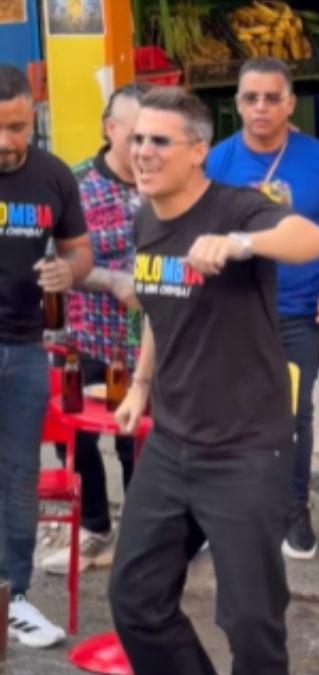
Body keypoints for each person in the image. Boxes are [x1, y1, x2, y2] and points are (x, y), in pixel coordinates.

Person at [108, 86, 319, 675]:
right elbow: (163, 307)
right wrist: (141, 385)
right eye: (137, 139)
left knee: (252, 623)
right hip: (171, 442)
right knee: (135, 600)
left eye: (160, 141)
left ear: (198, 150)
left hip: (244, 450)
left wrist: (240, 244)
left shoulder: (237, 208)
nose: (143, 152)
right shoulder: (146, 217)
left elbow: (311, 239)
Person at [206, 57, 319, 561]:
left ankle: (295, 508)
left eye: (272, 98)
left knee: (294, 414)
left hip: (297, 312)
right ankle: (228, 509)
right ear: (237, 103)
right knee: (229, 411)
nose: (261, 107)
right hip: (232, 312)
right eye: (251, 97)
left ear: (291, 103)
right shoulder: (216, 161)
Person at [39, 83, 149, 578]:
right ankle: (94, 526)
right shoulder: (75, 183)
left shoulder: (168, 179)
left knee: (139, 441)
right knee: (76, 438)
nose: (146, 146)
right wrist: (110, 280)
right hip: (82, 337)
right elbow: (51, 258)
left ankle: (147, 536)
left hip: (147, 341)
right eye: (137, 134)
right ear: (111, 129)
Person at [0, 63, 93, 649]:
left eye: (16, 127)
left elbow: (79, 251)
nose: (6, 141)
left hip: (25, 348)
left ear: (33, 116)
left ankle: (13, 595)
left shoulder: (54, 175)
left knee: (18, 475)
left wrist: (69, 272)